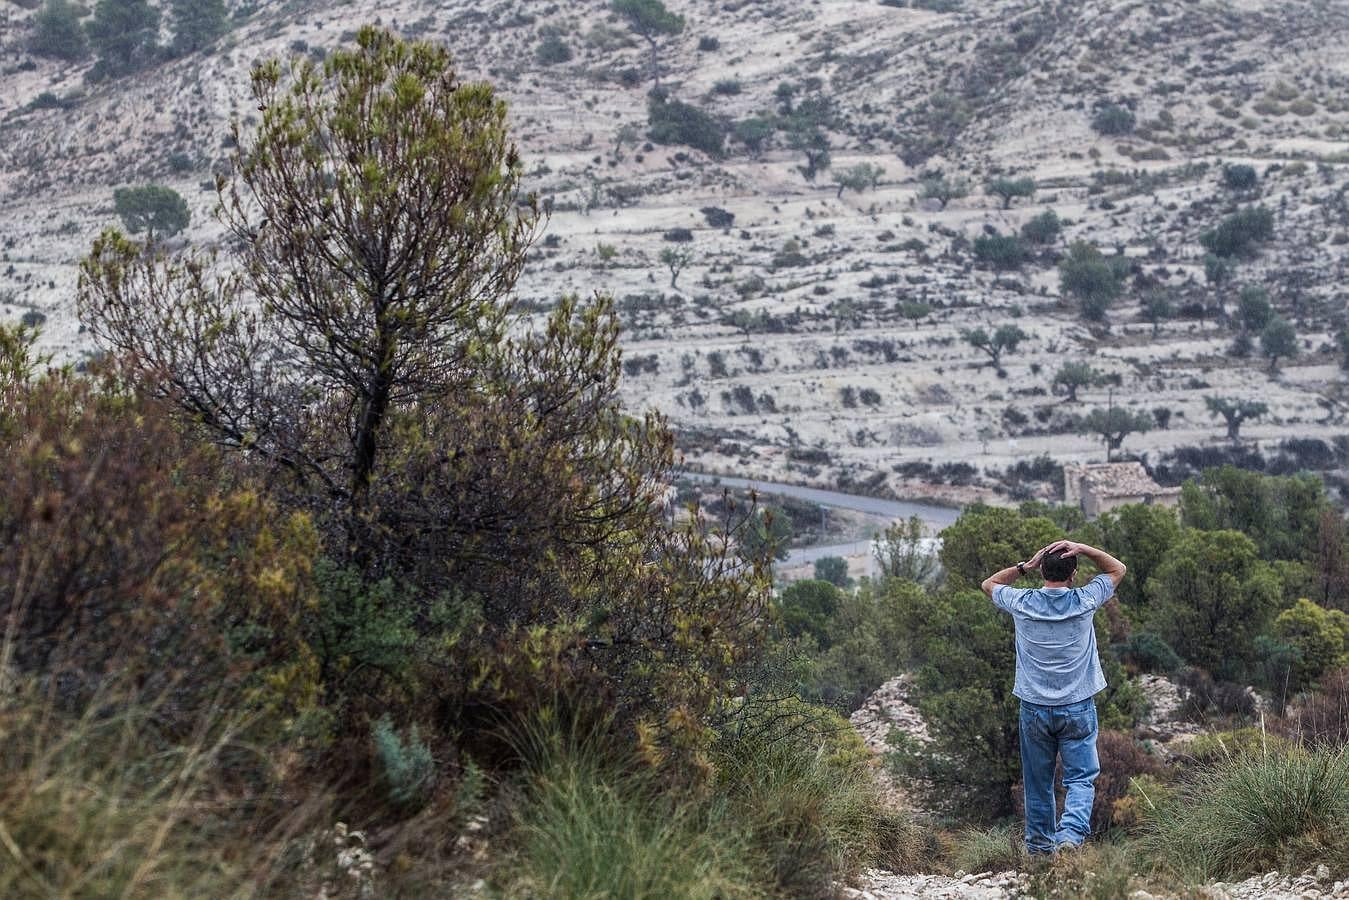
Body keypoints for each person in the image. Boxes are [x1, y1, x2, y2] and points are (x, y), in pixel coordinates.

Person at [980, 539, 1127, 858]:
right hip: (1077, 707)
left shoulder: (1022, 602)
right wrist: (1083, 548)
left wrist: (1024, 567)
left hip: (1033, 709)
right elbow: (1118, 568)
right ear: (1073, 573)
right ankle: (1071, 837)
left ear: (1043, 570)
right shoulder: (1085, 599)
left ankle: (1040, 853)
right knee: (1081, 778)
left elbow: (988, 583)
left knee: (1038, 783)